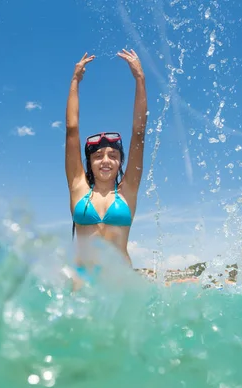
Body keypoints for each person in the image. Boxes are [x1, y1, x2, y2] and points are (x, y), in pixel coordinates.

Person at [64, 49, 147, 289]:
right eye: (98, 156)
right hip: (81, 284)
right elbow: (72, 130)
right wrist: (75, 80)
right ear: (89, 162)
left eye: (113, 155)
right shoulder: (78, 187)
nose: (106, 160)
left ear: (121, 162)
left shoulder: (128, 190)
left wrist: (140, 79)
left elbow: (139, 133)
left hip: (120, 286)